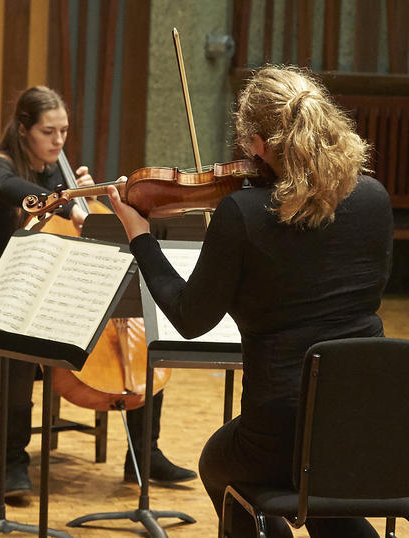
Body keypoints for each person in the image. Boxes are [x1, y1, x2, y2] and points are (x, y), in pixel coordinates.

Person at [108, 66, 391, 537]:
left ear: (258, 144)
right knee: (328, 499)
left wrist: (140, 235)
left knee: (219, 466)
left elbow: (190, 317)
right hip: (361, 423)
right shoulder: (375, 198)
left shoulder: (243, 213)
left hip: (280, 429)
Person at [0, 85, 195, 502]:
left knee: (147, 335)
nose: (58, 141)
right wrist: (65, 200)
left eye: (64, 132)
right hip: (3, 293)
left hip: (55, 289)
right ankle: (14, 463)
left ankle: (144, 455)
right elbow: (7, 187)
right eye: (48, 132)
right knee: (19, 351)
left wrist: (84, 197)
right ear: (24, 131)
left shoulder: (59, 171)